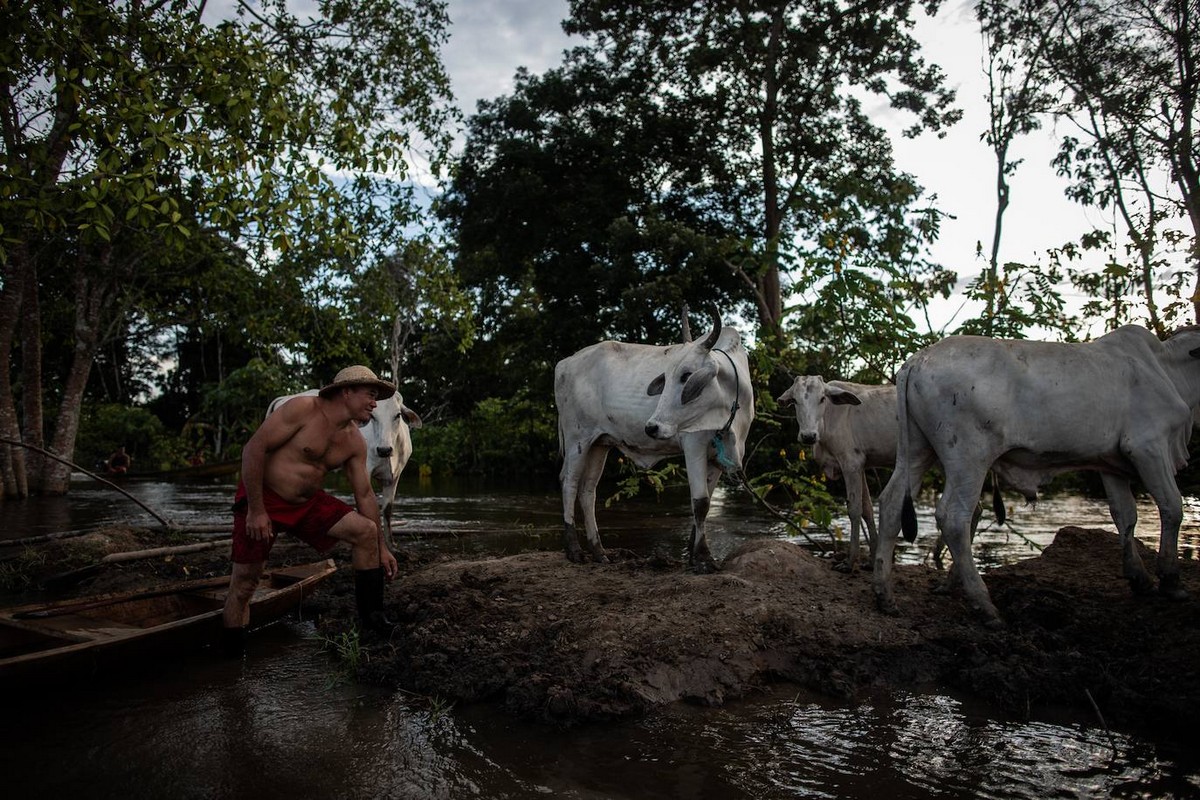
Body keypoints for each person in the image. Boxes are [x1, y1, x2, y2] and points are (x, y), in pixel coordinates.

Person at [221, 365, 400, 656]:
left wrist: (382, 547)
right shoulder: (302, 409)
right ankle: (232, 658)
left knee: (365, 532)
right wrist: (256, 510)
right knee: (245, 584)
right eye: (370, 394)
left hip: (306, 503)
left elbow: (365, 495)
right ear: (347, 392)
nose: (374, 403)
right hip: (264, 499)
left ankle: (373, 620)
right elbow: (252, 449)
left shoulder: (355, 440)